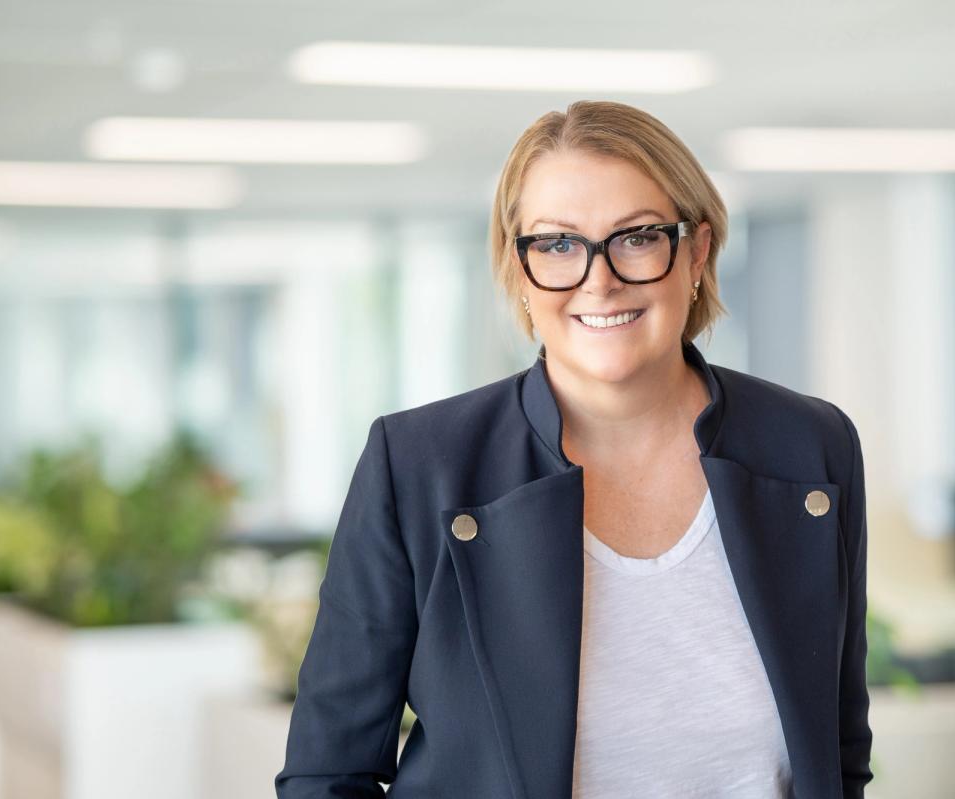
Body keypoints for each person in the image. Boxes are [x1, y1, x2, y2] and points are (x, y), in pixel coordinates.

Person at [275, 100, 873, 799]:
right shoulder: (417, 466)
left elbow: (838, 752)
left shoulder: (811, 447)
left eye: (638, 236)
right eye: (557, 244)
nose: (598, 278)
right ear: (518, 268)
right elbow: (328, 772)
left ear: (697, 252)